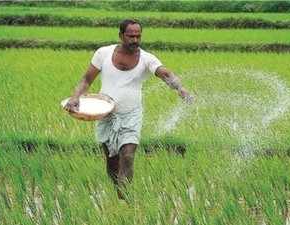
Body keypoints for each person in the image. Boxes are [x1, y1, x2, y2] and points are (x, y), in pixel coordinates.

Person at [64, 19, 194, 200]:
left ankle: (124, 198)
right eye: (130, 36)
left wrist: (180, 88)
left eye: (138, 36)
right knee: (112, 161)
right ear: (120, 36)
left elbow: (165, 73)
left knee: (127, 155)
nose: (135, 39)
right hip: (106, 114)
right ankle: (119, 193)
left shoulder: (147, 59)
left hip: (131, 115)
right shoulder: (103, 53)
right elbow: (86, 79)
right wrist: (75, 96)